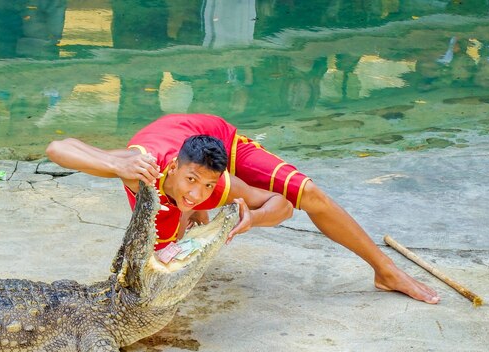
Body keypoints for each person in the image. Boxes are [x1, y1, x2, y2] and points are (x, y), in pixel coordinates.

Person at [46, 113, 440, 304]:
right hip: (158, 156)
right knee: (161, 252)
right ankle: (183, 211)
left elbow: (281, 205)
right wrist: (115, 164)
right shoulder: (141, 168)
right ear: (174, 169)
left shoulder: (219, 186)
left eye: (207, 187)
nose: (199, 192)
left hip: (218, 137)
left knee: (310, 193)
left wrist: (254, 218)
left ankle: (385, 271)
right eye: (190, 181)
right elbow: (58, 148)